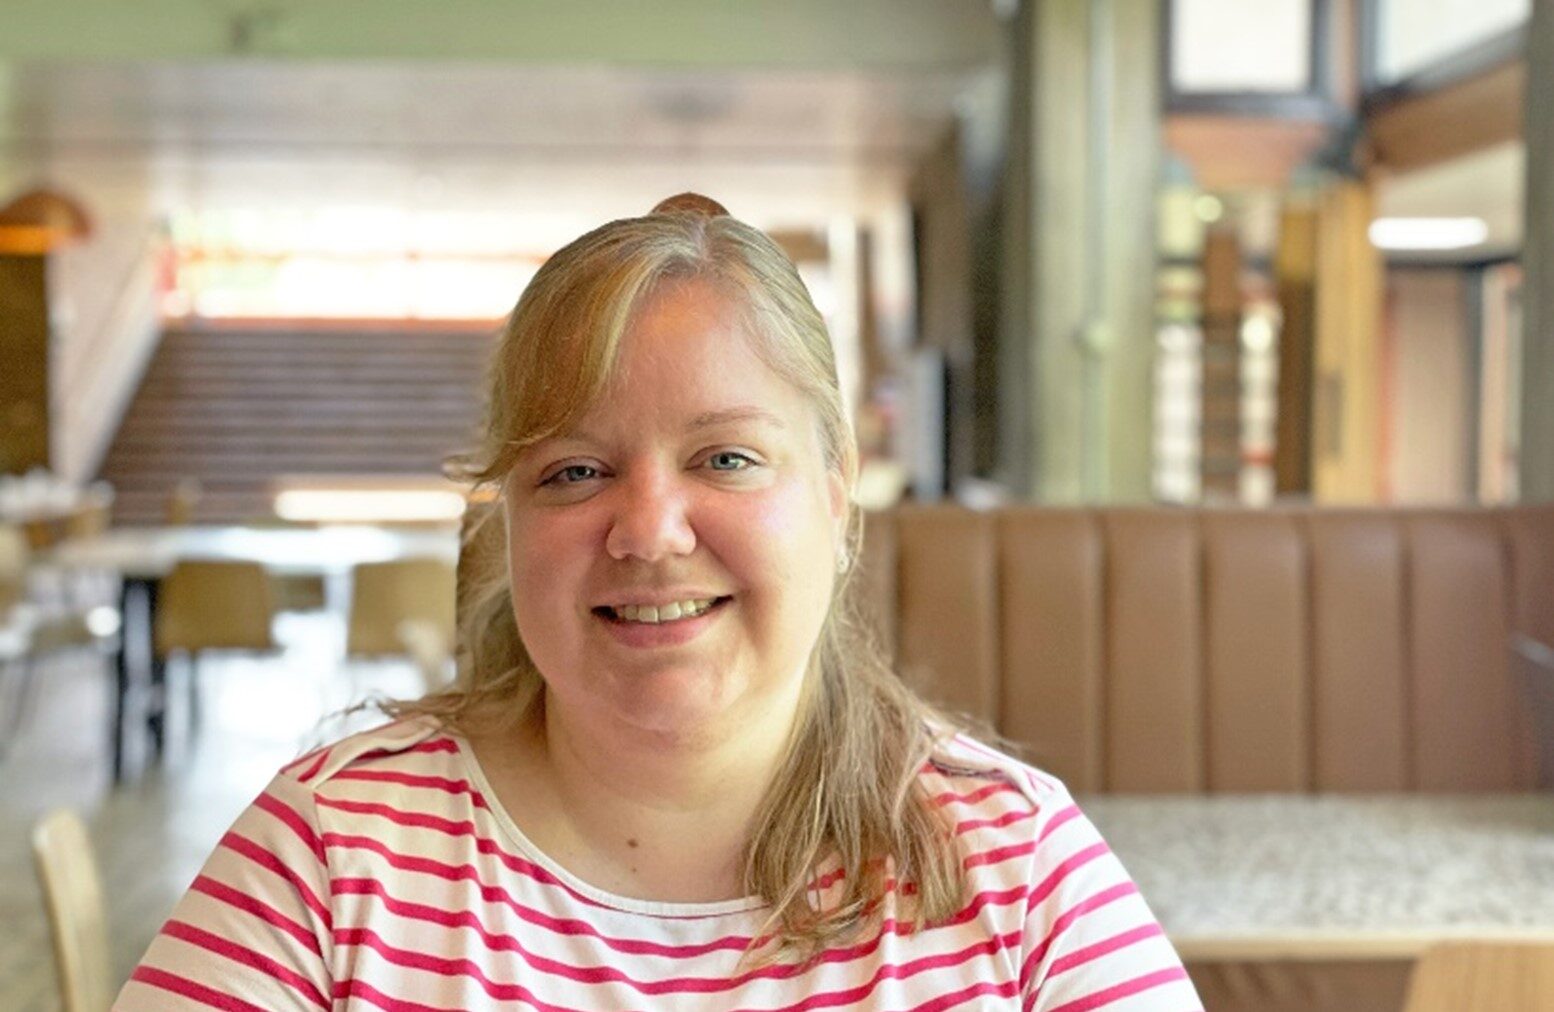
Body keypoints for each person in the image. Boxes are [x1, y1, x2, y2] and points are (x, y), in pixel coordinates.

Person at [115, 195, 1202, 1010]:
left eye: (725, 457)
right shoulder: (335, 855)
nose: (647, 530)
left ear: (833, 499)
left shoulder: (1012, 868)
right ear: (510, 526)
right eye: (574, 472)